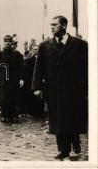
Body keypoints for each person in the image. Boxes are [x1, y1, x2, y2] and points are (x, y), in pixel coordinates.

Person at [32, 15, 88, 160]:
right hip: (54, 90)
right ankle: (63, 150)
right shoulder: (45, 45)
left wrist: (87, 87)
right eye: (50, 25)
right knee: (57, 120)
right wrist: (37, 87)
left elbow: (87, 68)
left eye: (55, 25)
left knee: (73, 118)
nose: (52, 27)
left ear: (64, 26)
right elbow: (39, 68)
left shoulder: (80, 44)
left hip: (74, 90)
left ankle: (75, 145)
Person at [0, 35, 24, 125]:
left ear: (11, 42)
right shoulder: (0, 54)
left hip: (13, 80)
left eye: (9, 41)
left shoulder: (17, 54)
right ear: (4, 42)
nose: (8, 43)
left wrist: (21, 78)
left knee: (12, 98)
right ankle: (3, 115)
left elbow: (21, 67)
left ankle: (11, 116)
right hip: (3, 80)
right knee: (3, 98)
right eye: (6, 41)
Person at [23, 46, 44, 118]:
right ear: (31, 51)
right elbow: (26, 72)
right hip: (30, 81)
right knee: (31, 97)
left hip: (40, 81)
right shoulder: (28, 61)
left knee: (40, 97)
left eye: (37, 50)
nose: (36, 51)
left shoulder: (43, 60)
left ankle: (39, 112)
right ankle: (31, 112)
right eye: (34, 50)